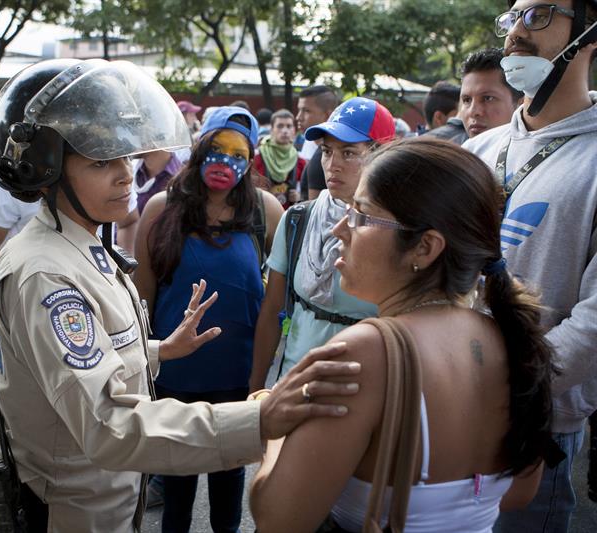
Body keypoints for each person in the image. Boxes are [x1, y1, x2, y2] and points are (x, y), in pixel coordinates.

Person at [0, 58, 362, 532]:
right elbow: (109, 425)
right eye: (101, 161)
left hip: (101, 499)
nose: (125, 174)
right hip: (70, 513)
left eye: (125, 157)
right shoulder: (45, 274)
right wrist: (258, 420)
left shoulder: (80, 242)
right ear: (46, 169)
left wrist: (157, 350)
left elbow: (84, 363)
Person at [250, 137, 557, 533]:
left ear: (424, 248)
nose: (341, 229)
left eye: (361, 215)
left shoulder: (365, 353)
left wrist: (273, 426)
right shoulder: (512, 339)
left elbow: (278, 518)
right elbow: (516, 493)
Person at [464, 1, 597, 530]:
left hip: (539, 426)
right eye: (513, 16)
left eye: (540, 14)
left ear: (589, 36)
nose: (516, 31)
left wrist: (508, 381)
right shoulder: (476, 150)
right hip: (452, 409)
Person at [133, 106, 283, 532]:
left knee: (229, 476)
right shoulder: (161, 209)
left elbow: (282, 288)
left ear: (251, 158)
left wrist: (262, 377)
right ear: (199, 148)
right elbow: (142, 296)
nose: (226, 160)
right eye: (217, 148)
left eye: (238, 152)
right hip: (175, 371)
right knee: (176, 481)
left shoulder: (264, 211)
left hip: (238, 374)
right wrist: (144, 365)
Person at [248, 97, 394, 392]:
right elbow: (272, 309)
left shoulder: (395, 230)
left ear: (383, 156)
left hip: (363, 388)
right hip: (293, 381)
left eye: (349, 153)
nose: (332, 164)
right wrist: (255, 386)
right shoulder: (299, 219)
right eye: (327, 151)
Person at [459, 48, 523, 139]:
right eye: (467, 100)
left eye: (488, 98)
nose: (473, 111)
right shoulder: (455, 150)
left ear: (520, 104)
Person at [253, 108, 305, 208]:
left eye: (289, 126)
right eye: (280, 126)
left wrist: (300, 197)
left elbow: (307, 193)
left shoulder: (301, 161)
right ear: (272, 130)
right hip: (263, 214)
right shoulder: (257, 158)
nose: (285, 131)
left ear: (294, 130)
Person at [295, 86, 341, 201]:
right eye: (299, 110)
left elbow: (316, 212)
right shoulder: (311, 144)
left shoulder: (323, 157)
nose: (298, 117)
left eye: (306, 111)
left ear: (327, 115)